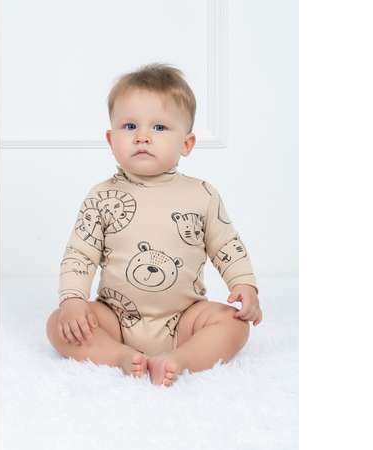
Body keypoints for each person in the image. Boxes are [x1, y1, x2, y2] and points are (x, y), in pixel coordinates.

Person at [46, 63, 263, 387]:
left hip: (185, 318)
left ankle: (180, 359)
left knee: (234, 324)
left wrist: (244, 285)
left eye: (159, 127)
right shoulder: (102, 196)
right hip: (115, 317)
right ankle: (118, 355)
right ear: (111, 139)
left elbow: (226, 245)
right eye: (130, 126)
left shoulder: (202, 194)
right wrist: (73, 300)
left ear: (186, 144)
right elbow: (81, 253)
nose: (143, 137)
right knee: (58, 324)